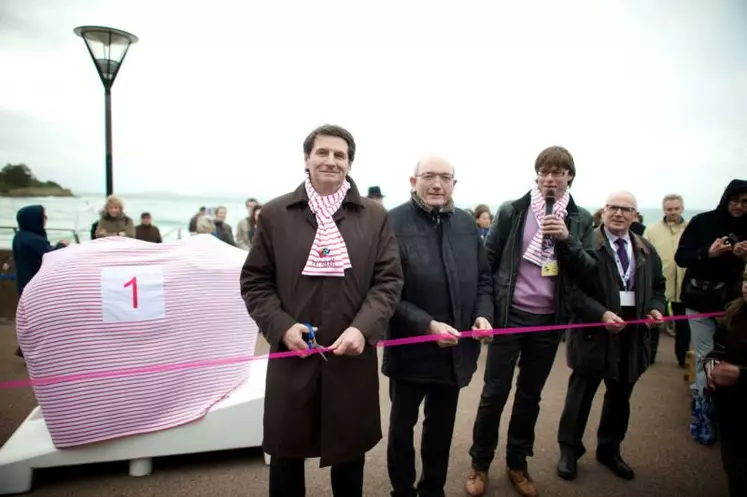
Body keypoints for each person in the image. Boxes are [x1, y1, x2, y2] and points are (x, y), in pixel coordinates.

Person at [240, 124, 404, 497]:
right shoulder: (275, 214)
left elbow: (388, 281)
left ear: (349, 163)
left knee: (349, 456)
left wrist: (363, 328)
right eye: (323, 152)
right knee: (285, 453)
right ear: (306, 159)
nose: (331, 160)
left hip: (352, 354)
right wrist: (281, 327)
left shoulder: (374, 217)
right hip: (292, 353)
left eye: (340, 155)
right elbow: (255, 282)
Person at [466, 146, 596, 497]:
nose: (550, 178)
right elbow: (487, 264)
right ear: (536, 175)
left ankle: (517, 463)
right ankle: (479, 464)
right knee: (494, 394)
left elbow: (590, 272)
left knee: (530, 396)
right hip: (510, 317)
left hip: (548, 322)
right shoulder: (513, 210)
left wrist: (566, 240)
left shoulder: (581, 218)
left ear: (569, 176)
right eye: (544, 171)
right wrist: (486, 313)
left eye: (558, 172)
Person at [383, 156, 493, 497]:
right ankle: (402, 490)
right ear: (413, 181)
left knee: (440, 430)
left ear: (454, 185)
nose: (437, 184)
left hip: (454, 353)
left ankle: (433, 488)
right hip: (409, 351)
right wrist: (426, 325)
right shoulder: (393, 221)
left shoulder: (465, 222)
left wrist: (482, 314)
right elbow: (385, 291)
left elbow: (484, 281)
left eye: (445, 177)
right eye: (428, 176)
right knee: (402, 429)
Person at [556, 191, 666, 481]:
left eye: (626, 209)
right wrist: (601, 314)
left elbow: (658, 286)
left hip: (631, 334)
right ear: (603, 211)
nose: (619, 213)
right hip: (594, 333)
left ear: (635, 215)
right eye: (613, 208)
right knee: (579, 398)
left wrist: (655, 308)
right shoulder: (585, 244)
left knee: (620, 398)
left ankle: (609, 450)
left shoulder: (645, 248)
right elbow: (571, 292)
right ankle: (569, 452)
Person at [675, 178, 747, 444]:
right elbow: (681, 257)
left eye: (745, 203)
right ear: (726, 198)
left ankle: (726, 406)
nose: (739, 207)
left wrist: (744, 257)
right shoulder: (702, 222)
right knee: (705, 356)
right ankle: (703, 409)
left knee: (735, 357)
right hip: (700, 300)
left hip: (737, 306)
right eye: (735, 200)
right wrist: (709, 252)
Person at [705, 268, 747, 496]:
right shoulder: (734, 312)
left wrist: (740, 374)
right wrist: (710, 366)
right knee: (734, 467)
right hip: (731, 405)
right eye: (746, 279)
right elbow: (717, 351)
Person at [11, 205, 69, 357]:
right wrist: (62, 245)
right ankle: (31, 350)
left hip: (25, 283)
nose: (45, 220)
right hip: (34, 286)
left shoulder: (21, 236)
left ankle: (24, 349)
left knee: (31, 320)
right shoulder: (32, 239)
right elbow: (48, 255)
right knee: (38, 320)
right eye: (43, 217)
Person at [644, 194, 690, 366]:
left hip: (684, 286)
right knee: (655, 321)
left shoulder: (691, 228)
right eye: (669, 209)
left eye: (676, 209)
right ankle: (649, 357)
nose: (673, 212)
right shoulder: (652, 230)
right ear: (664, 210)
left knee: (684, 326)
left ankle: (682, 358)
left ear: (682, 208)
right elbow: (645, 255)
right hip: (661, 285)